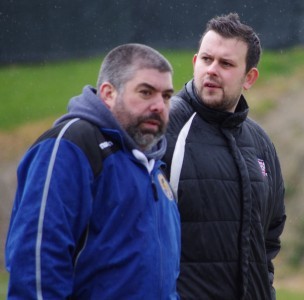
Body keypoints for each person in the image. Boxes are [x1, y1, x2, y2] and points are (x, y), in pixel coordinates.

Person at [5, 43, 181, 299]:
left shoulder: (154, 164)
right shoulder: (71, 145)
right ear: (108, 94)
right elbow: (38, 258)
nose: (159, 105)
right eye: (146, 92)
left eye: (166, 96)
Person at [163, 13, 286, 300]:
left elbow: (269, 236)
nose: (212, 70)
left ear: (249, 77)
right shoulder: (164, 127)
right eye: (207, 59)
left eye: (226, 63)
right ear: (195, 62)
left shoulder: (261, 144)